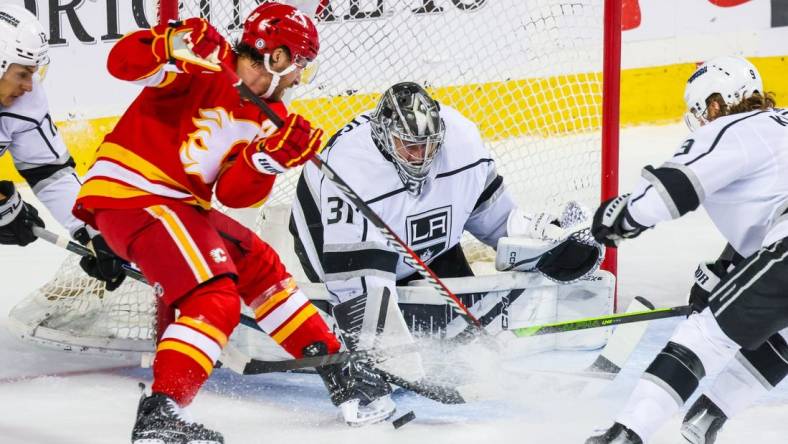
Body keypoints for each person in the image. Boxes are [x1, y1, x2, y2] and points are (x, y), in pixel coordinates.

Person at [72, 3, 351, 443]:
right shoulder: (202, 61)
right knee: (213, 297)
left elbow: (234, 194)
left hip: (180, 208)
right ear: (276, 57)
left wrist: (268, 159)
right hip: (135, 197)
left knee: (259, 264)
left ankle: (340, 371)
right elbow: (121, 63)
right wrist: (172, 43)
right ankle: (159, 416)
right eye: (300, 65)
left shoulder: (266, 116)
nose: (300, 78)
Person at [289, 81, 603, 425]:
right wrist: (376, 357)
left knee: (464, 342)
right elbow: (354, 282)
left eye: (428, 145)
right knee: (384, 338)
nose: (420, 157)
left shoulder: (463, 140)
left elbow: (497, 219)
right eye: (408, 146)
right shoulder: (349, 168)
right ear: (383, 137)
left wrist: (551, 243)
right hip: (335, 248)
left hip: (421, 245)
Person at [586, 55, 788, 443]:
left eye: (700, 110)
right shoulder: (777, 124)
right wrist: (728, 266)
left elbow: (675, 188)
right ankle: (707, 417)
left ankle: (624, 435)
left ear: (715, 104)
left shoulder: (732, 127)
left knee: (707, 334)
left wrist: (623, 217)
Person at [0, 4, 125, 289]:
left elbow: (47, 170)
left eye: (33, 73)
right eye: (22, 74)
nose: (29, 86)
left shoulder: (25, 103)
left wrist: (93, 230)